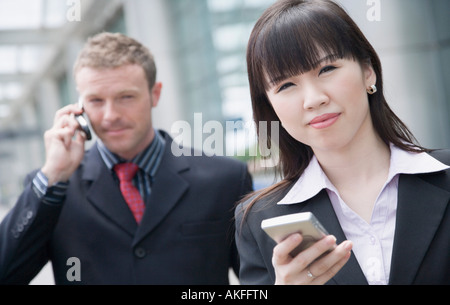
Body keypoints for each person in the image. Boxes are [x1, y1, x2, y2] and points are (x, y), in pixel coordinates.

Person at [0, 32, 253, 284]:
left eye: (126, 97)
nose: (110, 115)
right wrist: (52, 176)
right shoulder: (55, 188)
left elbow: (258, 280)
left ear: (155, 94)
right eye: (96, 100)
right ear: (79, 107)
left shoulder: (226, 179)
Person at [235, 0, 450, 285]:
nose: (313, 99)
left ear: (367, 71)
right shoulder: (259, 221)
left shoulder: (445, 176)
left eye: (326, 69)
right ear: (270, 106)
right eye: (286, 85)